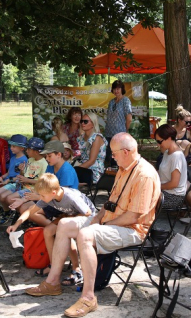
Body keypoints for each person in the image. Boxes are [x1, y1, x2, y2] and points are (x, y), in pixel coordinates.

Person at [24, 133, 159, 318]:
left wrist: (103, 223)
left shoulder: (144, 175)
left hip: (133, 229)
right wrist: (97, 218)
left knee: (86, 235)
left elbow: (134, 216)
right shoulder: (124, 167)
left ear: (126, 152)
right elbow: (110, 202)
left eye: (114, 153)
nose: (112, 156)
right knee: (64, 224)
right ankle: (53, 282)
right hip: (113, 221)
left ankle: (88, 298)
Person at [7, 174, 95, 285]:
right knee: (48, 231)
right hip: (68, 216)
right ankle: (54, 266)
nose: (41, 198)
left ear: (53, 193)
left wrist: (67, 218)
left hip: (87, 218)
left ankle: (76, 269)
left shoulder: (70, 197)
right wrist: (16, 225)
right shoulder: (48, 196)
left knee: (64, 229)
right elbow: (30, 211)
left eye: (42, 196)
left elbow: (88, 212)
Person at [9, 140, 79, 227]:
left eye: (49, 156)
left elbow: (63, 197)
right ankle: (41, 227)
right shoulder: (50, 166)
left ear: (59, 155)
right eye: (46, 156)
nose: (46, 159)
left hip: (65, 204)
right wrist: (23, 199)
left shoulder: (66, 170)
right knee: (23, 207)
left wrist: (38, 197)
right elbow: (42, 185)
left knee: (32, 213)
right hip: (50, 199)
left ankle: (56, 230)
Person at [0, 134, 29, 222]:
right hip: (8, 181)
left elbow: (21, 176)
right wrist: (1, 177)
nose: (11, 148)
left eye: (14, 146)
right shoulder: (13, 158)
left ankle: (6, 212)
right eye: (11, 146)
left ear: (22, 148)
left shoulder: (24, 160)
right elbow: (9, 172)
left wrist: (9, 180)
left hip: (15, 183)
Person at [2, 137, 47, 208]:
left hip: (32, 189)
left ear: (36, 152)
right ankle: (16, 212)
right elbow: (24, 175)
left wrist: (27, 180)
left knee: (9, 198)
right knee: (3, 196)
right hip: (22, 186)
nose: (26, 151)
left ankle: (19, 212)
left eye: (28, 149)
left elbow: (43, 182)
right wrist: (21, 171)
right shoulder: (30, 160)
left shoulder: (44, 164)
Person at [155, 124, 187, 209]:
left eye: (160, 141)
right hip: (164, 192)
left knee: (144, 197)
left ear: (169, 138)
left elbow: (174, 183)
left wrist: (156, 186)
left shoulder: (176, 156)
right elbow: (162, 172)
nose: (158, 145)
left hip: (174, 197)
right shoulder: (167, 153)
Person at [103, 80, 132, 166]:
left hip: (119, 135)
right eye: (114, 88)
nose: (116, 91)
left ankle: (117, 176)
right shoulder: (111, 102)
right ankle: (108, 176)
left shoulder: (126, 101)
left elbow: (129, 118)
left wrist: (125, 131)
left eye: (118, 88)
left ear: (122, 89)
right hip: (108, 133)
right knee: (108, 157)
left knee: (117, 159)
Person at [76, 112, 107, 184]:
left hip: (93, 171)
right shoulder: (82, 137)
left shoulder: (97, 138)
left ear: (93, 124)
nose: (82, 123)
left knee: (69, 175)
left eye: (85, 121)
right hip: (84, 168)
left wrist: (75, 170)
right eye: (81, 121)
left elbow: (91, 161)